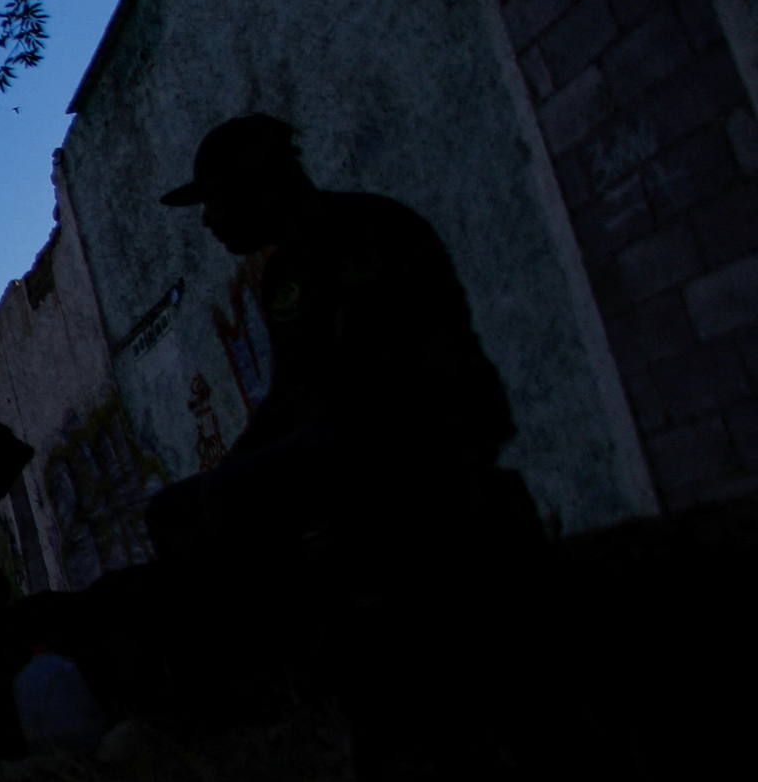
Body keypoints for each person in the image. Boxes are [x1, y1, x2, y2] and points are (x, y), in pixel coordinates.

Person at [142, 114, 519, 571]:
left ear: (258, 186)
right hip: (345, 433)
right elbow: (287, 388)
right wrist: (235, 458)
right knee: (173, 511)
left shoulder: (366, 229)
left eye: (216, 200)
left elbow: (360, 374)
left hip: (420, 421)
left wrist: (236, 469)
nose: (207, 220)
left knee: (229, 496)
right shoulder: (283, 274)